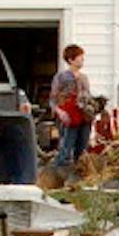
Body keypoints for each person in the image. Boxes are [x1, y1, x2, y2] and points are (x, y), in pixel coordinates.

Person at [49, 44, 93, 176]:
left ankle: (78, 177)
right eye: (79, 57)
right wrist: (60, 112)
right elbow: (53, 98)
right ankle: (59, 175)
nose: (82, 60)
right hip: (69, 116)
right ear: (71, 60)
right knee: (66, 147)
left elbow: (88, 96)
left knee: (82, 147)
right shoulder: (61, 77)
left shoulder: (84, 78)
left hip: (84, 116)